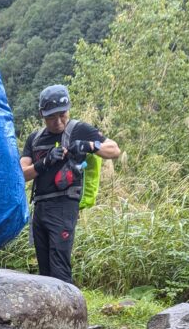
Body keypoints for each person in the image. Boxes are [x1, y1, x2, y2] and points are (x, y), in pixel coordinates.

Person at [20, 84, 120, 284]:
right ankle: (50, 313)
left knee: (59, 266)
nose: (58, 122)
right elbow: (22, 174)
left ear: (68, 110)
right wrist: (44, 163)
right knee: (44, 269)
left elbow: (114, 150)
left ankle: (70, 314)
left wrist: (89, 146)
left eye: (62, 115)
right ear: (42, 114)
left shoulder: (79, 129)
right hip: (40, 207)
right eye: (51, 117)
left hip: (64, 205)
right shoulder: (35, 139)